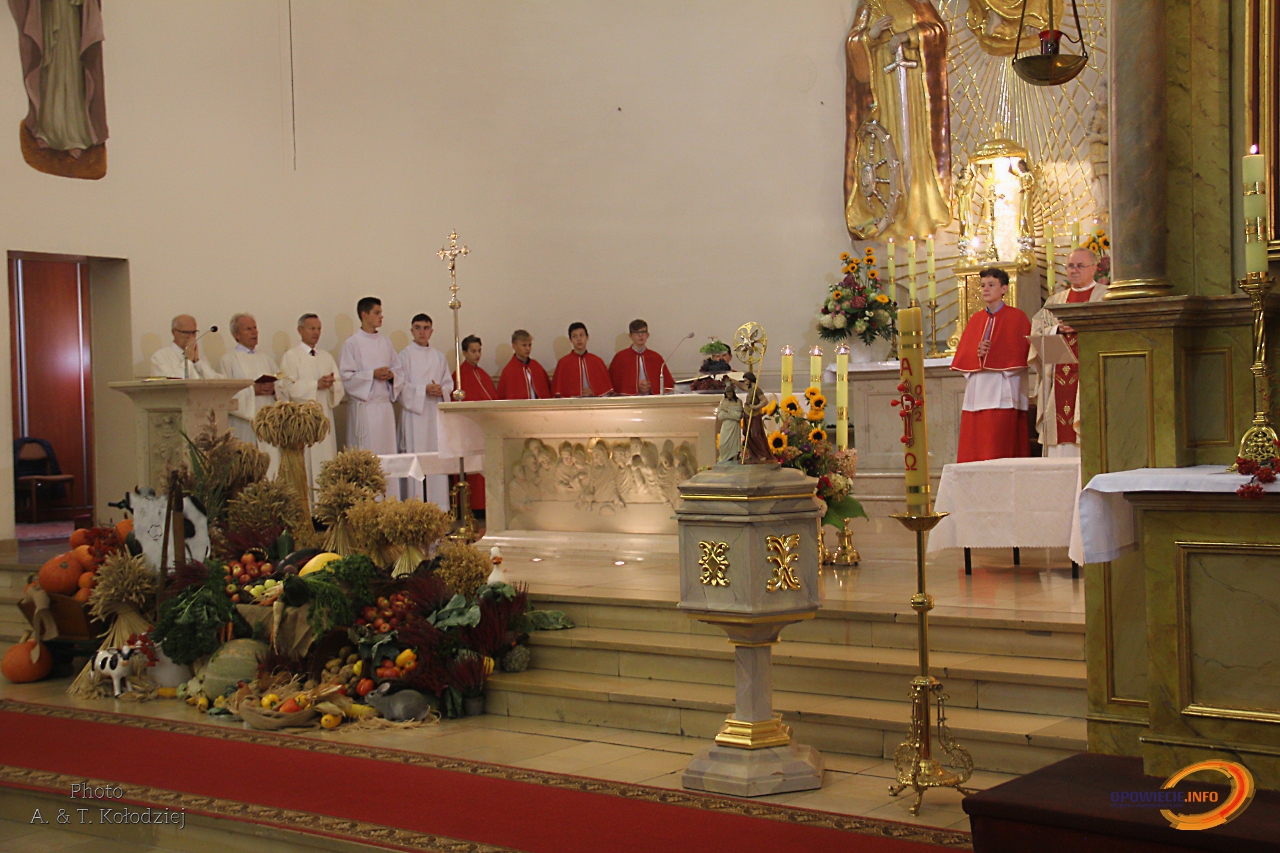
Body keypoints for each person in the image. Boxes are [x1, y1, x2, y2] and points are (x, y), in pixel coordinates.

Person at [1029, 248, 1109, 457]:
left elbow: (1114, 332)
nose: (1074, 270)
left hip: (1091, 372)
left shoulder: (1105, 297)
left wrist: (1084, 327)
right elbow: (1037, 331)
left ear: (1094, 268)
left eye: (1080, 266)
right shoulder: (1055, 301)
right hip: (1059, 375)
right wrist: (1056, 329)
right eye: (1070, 266)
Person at [951, 268, 1032, 462]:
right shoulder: (975, 319)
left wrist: (994, 354)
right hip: (977, 391)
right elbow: (965, 355)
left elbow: (1023, 353)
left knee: (999, 445)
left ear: (1004, 288)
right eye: (982, 285)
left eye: (991, 285)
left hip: (1002, 389)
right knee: (976, 445)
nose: (985, 289)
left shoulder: (1017, 317)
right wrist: (977, 354)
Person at [278, 313, 345, 495]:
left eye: (319, 329)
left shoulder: (326, 357)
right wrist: (316, 385)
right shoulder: (291, 356)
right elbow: (286, 388)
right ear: (300, 330)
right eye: (312, 328)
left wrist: (332, 385)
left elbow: (339, 385)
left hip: (324, 418)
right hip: (304, 421)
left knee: (325, 461)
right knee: (307, 464)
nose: (316, 333)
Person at [397, 313, 454, 510]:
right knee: (417, 459)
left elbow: (448, 384)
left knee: (436, 458)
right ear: (411, 330)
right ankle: (415, 506)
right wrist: (423, 390)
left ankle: (439, 506)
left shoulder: (439, 357)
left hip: (434, 414)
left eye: (426, 328)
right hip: (415, 416)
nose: (422, 332)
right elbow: (400, 387)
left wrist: (441, 390)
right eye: (418, 328)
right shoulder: (404, 356)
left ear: (432, 331)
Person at [339, 296, 403, 459]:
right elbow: (346, 377)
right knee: (367, 455)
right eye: (377, 312)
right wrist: (372, 375)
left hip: (385, 409)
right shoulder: (352, 343)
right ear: (364, 315)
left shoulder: (386, 342)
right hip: (365, 410)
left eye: (381, 312)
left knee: (387, 456)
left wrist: (391, 375)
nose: (381, 316)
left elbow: (398, 370)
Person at [220, 313, 283, 475]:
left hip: (268, 423)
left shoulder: (266, 359)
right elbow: (225, 393)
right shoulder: (229, 360)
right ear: (236, 335)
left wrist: (274, 389)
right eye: (248, 329)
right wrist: (253, 390)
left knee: (271, 468)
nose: (254, 332)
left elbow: (282, 385)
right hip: (244, 424)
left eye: (255, 328)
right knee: (247, 469)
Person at [609, 319, 675, 395]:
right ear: (630, 336)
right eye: (636, 332)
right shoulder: (620, 357)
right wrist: (635, 386)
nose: (640, 335)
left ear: (647, 335)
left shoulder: (656, 357)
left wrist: (652, 386)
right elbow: (615, 384)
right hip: (629, 399)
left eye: (643, 332)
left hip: (652, 398)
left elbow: (667, 385)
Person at [552, 322, 613, 398]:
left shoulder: (597, 361)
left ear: (587, 337)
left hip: (594, 401)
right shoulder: (563, 363)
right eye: (575, 336)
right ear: (570, 339)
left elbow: (606, 391)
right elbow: (558, 394)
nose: (579, 339)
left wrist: (595, 391)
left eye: (581, 335)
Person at [150, 314, 221, 379]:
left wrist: (196, 362)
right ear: (174, 332)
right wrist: (188, 360)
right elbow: (171, 383)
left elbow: (214, 380)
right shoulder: (160, 357)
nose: (190, 336)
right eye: (186, 332)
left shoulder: (200, 357)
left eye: (193, 332)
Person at [497, 330, 552, 400]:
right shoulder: (509, 371)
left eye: (529, 345)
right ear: (514, 346)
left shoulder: (536, 366)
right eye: (524, 345)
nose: (528, 349)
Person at [455, 335, 496, 401]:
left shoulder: (483, 373)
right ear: (464, 353)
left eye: (479, 351)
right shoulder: (459, 375)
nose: (477, 355)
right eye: (473, 351)